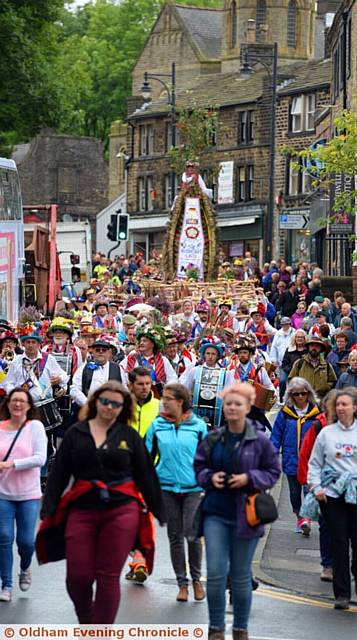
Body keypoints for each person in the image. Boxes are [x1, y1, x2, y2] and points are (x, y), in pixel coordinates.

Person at [40, 381, 165, 623]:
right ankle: (87, 622)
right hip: (82, 509)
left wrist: (159, 509)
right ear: (95, 402)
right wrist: (49, 506)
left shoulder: (129, 436)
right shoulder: (76, 433)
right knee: (77, 577)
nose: (109, 407)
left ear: (123, 408)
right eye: (104, 401)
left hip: (121, 510)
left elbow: (146, 475)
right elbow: (59, 474)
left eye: (116, 404)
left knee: (107, 576)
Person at [194, 383, 280, 640]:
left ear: (247, 407)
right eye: (229, 403)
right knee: (217, 572)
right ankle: (216, 628)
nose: (232, 408)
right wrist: (211, 477)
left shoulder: (260, 440)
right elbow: (198, 468)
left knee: (241, 575)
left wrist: (248, 478)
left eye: (238, 403)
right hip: (215, 512)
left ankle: (241, 628)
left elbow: (273, 472)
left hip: (247, 513)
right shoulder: (213, 437)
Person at [145, 384, 207, 603]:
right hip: (166, 487)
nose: (164, 402)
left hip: (192, 488)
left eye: (168, 398)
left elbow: (205, 458)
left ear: (180, 401)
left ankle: (197, 579)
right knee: (175, 536)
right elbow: (147, 458)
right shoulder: (157, 425)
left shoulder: (198, 426)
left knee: (192, 533)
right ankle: (182, 583)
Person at [308, 388, 357, 610]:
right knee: (338, 544)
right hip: (332, 496)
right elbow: (315, 463)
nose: (340, 408)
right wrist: (317, 487)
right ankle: (342, 595)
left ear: (354, 407)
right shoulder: (327, 433)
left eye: (345, 404)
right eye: (338, 404)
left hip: (355, 495)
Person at [0, 388, 47, 602]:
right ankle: (6, 584)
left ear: (29, 406)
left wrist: (12, 464)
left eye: (22, 401)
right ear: (8, 404)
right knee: (4, 537)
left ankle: (25, 567)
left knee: (26, 542)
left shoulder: (35, 427)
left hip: (28, 494)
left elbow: (40, 458)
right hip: (3, 494)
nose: (17, 404)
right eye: (14, 400)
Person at [297, 390, 338, 583]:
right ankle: (328, 565)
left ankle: (343, 565)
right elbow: (306, 454)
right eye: (335, 405)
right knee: (326, 526)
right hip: (323, 485)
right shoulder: (318, 426)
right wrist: (308, 482)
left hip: (347, 487)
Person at [271, 377, 320, 534]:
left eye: (303, 393)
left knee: (308, 490)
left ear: (308, 394)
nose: (300, 397)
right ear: (290, 395)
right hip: (291, 459)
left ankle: (306, 519)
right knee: (294, 493)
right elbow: (276, 434)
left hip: (310, 461)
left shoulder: (316, 413)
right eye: (296, 394)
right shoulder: (285, 413)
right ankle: (299, 516)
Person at [179, 337, 235, 430]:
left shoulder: (226, 374)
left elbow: (231, 395)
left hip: (218, 417)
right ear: (204, 355)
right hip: (196, 413)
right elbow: (185, 389)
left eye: (213, 354)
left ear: (218, 356)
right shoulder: (194, 370)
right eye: (208, 353)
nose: (210, 356)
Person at [71, 339, 123, 410]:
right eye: (97, 350)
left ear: (108, 352)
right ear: (92, 352)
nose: (100, 352)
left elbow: (124, 388)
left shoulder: (117, 368)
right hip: (89, 409)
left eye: (104, 350)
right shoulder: (84, 368)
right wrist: (87, 404)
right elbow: (74, 389)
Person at [280, 330, 308, 403]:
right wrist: (291, 371)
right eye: (298, 337)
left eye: (301, 337)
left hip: (304, 371)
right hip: (290, 370)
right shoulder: (289, 349)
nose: (299, 339)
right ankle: (282, 397)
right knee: (282, 380)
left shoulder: (307, 350)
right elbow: (284, 363)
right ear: (295, 338)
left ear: (305, 339)